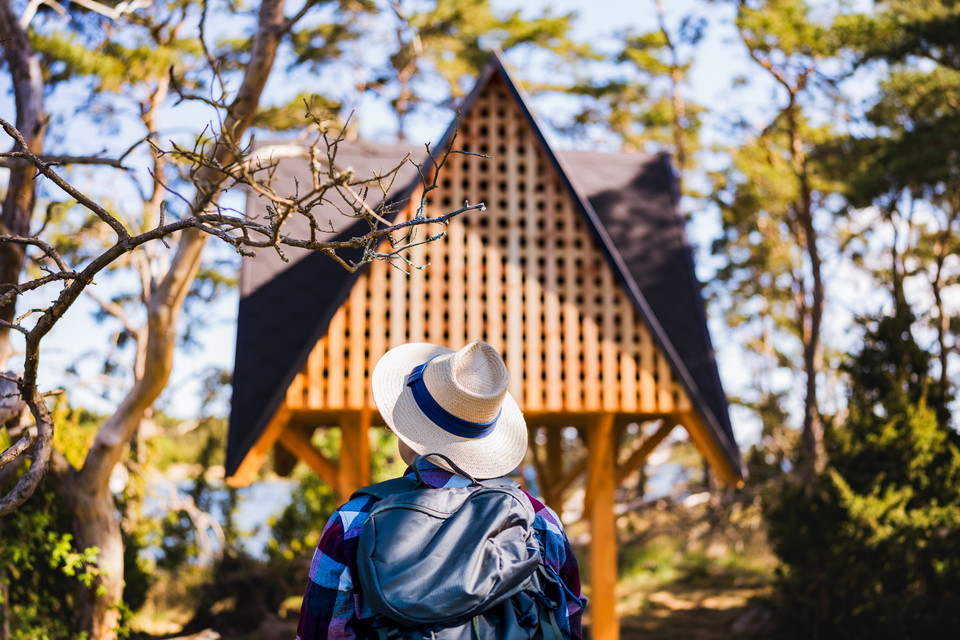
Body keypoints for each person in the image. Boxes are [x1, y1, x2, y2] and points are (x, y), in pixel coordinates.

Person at [296, 340, 585, 640]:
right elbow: (566, 625)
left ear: (408, 430)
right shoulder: (539, 521)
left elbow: (318, 633)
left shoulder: (354, 521)